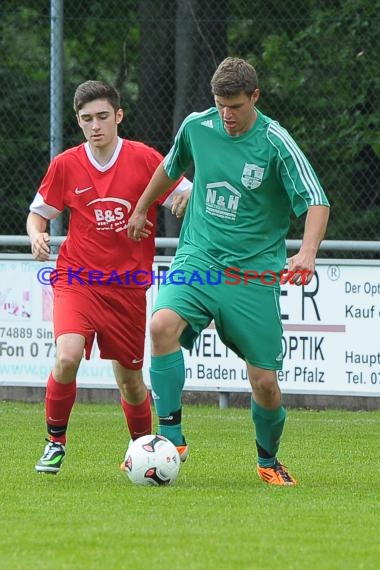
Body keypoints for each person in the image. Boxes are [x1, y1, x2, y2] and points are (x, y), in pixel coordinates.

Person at [127, 57, 330, 486]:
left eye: (235, 106)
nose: (227, 115)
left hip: (252, 276)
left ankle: (268, 460)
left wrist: (307, 253)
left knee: (265, 384)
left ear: (254, 97)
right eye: (220, 105)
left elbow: (316, 200)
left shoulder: (275, 142)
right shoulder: (197, 127)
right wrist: (143, 206)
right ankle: (171, 435)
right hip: (199, 259)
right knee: (161, 325)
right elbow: (170, 168)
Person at [27, 80, 192, 474]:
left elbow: (184, 192)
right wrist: (36, 234)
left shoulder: (145, 158)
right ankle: (55, 442)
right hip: (76, 279)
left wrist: (186, 197)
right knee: (66, 357)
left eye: (103, 116)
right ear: (78, 121)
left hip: (127, 288)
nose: (95, 125)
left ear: (118, 116)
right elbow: (39, 213)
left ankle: (144, 454)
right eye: (86, 119)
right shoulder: (66, 164)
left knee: (131, 383)